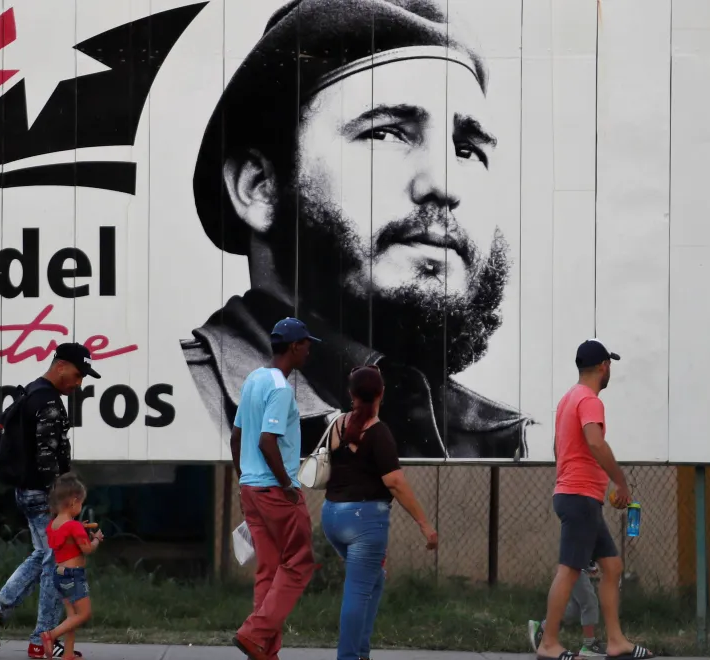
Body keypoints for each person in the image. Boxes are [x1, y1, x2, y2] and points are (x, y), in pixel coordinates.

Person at [182, 0, 534, 462]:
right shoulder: (183, 402)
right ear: (260, 188)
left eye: (466, 150)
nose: (445, 185)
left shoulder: (510, 439)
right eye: (386, 133)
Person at [0, 342, 101, 659]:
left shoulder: (31, 392)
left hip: (27, 491)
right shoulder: (47, 402)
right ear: (60, 366)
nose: (78, 382)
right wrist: (60, 506)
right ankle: (40, 638)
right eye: (76, 373)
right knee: (57, 561)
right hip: (44, 495)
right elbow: (48, 460)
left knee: (44, 556)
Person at [535, 339, 654, 660]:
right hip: (579, 497)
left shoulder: (567, 400)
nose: (610, 369)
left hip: (579, 495)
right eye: (609, 364)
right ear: (604, 367)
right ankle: (548, 643)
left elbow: (559, 449)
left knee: (612, 567)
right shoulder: (589, 400)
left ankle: (616, 641)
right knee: (570, 569)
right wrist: (619, 480)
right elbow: (595, 442)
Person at [320, 365, 439, 660]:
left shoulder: (337, 425)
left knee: (374, 579)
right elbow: (395, 482)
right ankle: (349, 656)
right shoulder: (378, 431)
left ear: (351, 394)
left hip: (331, 516)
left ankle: (360, 651)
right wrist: (425, 525)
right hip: (364, 522)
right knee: (358, 589)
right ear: (381, 394)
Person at [230, 317, 319, 660]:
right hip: (274, 491)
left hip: (252, 489)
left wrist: (244, 477)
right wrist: (287, 485)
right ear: (294, 346)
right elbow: (268, 441)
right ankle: (253, 632)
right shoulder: (281, 389)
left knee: (269, 568)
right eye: (307, 344)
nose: (309, 350)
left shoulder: (255, 379)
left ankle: (265, 650)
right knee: (299, 563)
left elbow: (238, 436)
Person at [40, 473, 104, 660]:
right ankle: (50, 636)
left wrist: (79, 529)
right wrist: (97, 540)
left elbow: (65, 539)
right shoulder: (74, 526)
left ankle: (68, 655)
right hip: (73, 575)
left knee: (71, 616)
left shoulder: (53, 525)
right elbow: (87, 549)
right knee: (84, 613)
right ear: (74, 501)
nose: (81, 506)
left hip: (58, 575)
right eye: (81, 503)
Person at [528, 561, 605, 657]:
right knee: (590, 602)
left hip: (579, 567)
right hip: (574, 566)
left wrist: (589, 565)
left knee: (574, 610)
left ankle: (543, 627)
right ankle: (589, 644)